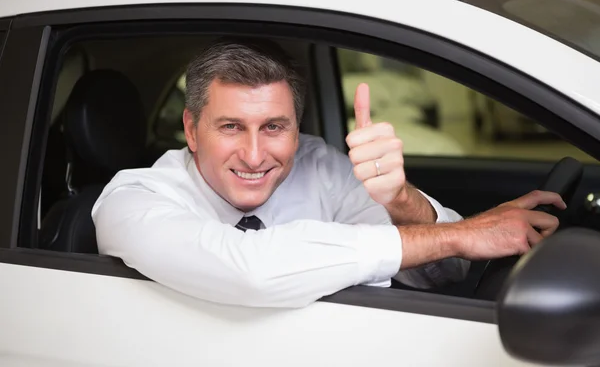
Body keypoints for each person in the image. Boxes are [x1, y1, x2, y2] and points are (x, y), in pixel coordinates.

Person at [91, 38, 565, 308]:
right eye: (231, 127)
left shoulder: (318, 165)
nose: (255, 155)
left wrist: (400, 201)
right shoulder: (132, 199)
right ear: (192, 130)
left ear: (298, 129)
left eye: (274, 127)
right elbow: (252, 268)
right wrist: (459, 234)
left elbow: (446, 274)